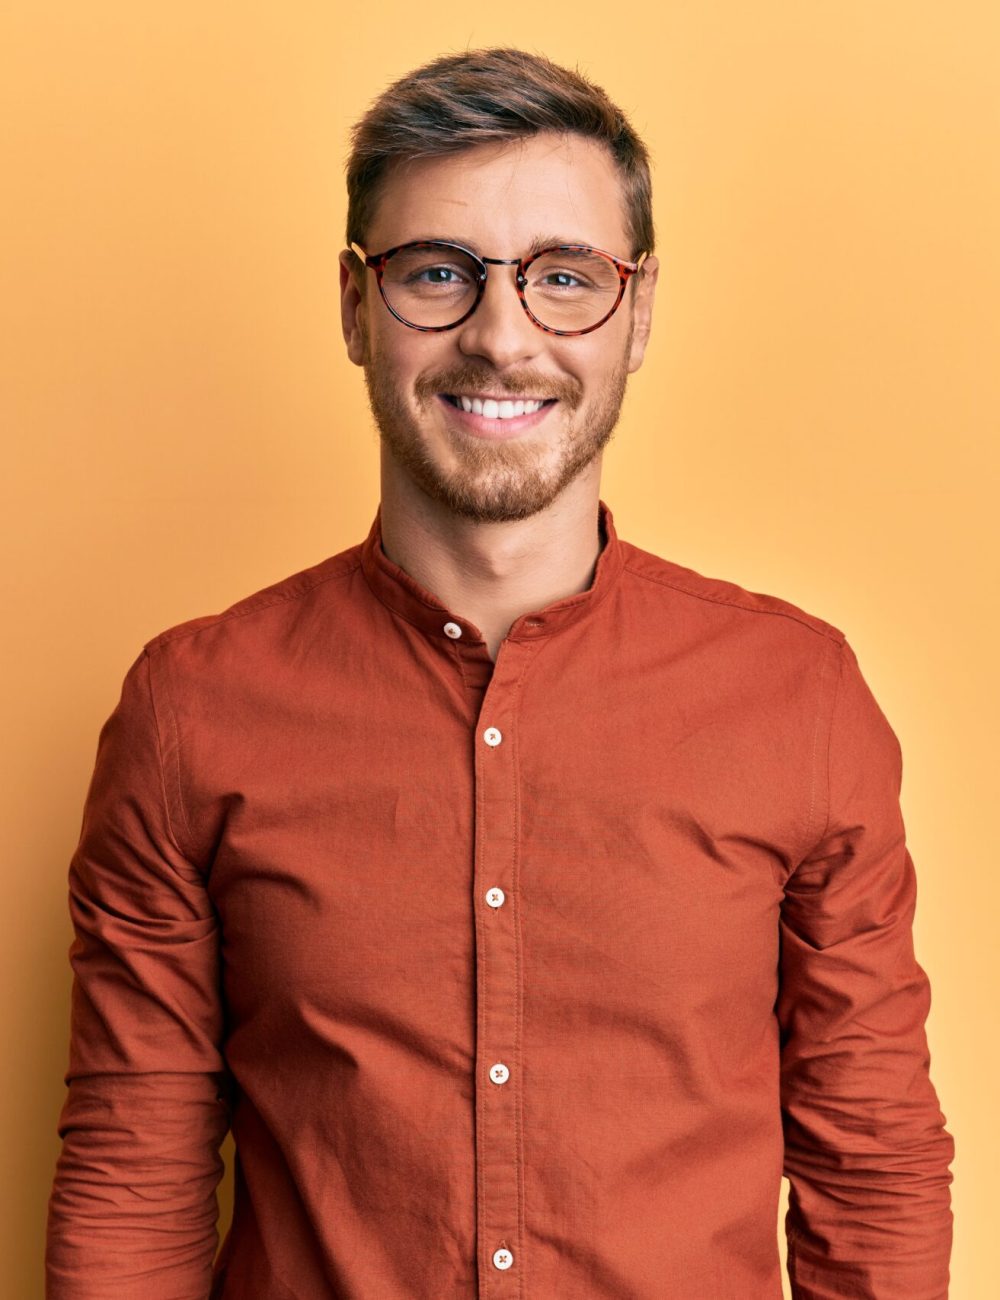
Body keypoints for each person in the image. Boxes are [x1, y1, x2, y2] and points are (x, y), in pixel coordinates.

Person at [45, 46, 955, 1299]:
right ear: (354, 305)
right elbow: (132, 1168)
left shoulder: (796, 697)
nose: (500, 336)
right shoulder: (189, 708)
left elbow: (875, 1165)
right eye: (437, 274)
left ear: (637, 312)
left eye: (563, 277)